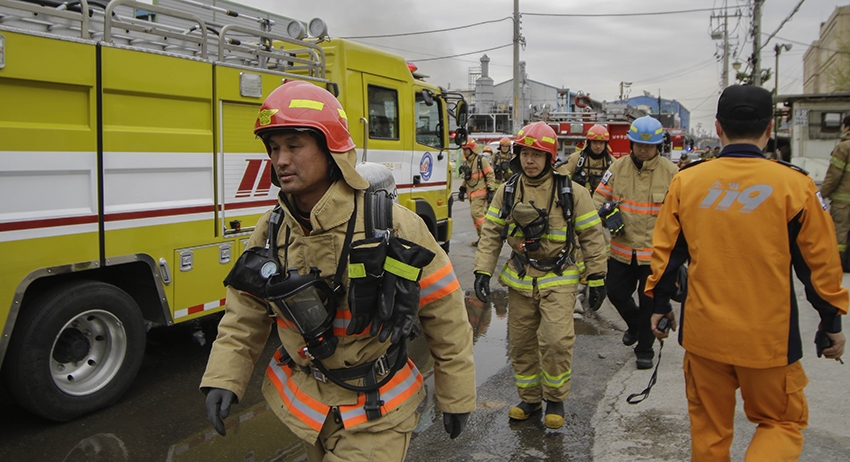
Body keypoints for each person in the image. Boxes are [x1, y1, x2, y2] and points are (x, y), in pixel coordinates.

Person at [200, 81, 476, 462]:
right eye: (274, 148)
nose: (281, 160)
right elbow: (244, 312)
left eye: (294, 146)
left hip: (377, 413)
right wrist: (224, 377)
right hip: (310, 412)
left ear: (330, 148)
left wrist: (456, 394)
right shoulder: (272, 229)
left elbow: (446, 313)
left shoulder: (393, 224)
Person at [646, 84, 847, 461]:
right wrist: (830, 321)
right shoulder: (795, 185)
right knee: (781, 423)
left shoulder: (688, 181)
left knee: (709, 431)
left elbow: (667, 253)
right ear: (770, 128)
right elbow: (818, 264)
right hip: (768, 340)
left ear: (718, 128)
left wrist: (659, 304)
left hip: (705, 336)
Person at [472, 121, 608, 429]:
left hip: (559, 278)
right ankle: (530, 399)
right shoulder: (507, 191)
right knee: (521, 343)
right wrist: (482, 271)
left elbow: (591, 237)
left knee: (556, 341)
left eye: (537, 154)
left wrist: (597, 276)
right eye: (525, 154)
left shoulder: (572, 192)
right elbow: (491, 233)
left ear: (550, 157)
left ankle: (556, 399)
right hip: (521, 278)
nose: (529, 160)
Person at [593, 115, 678, 369]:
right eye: (639, 144)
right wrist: (604, 214)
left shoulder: (672, 173)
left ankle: (645, 350)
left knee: (648, 301)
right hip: (622, 250)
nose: (643, 150)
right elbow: (598, 199)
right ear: (631, 143)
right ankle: (636, 326)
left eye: (649, 146)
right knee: (616, 293)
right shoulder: (617, 168)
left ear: (658, 146)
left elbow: (682, 213)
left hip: (654, 254)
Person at [819, 115, 850, 271]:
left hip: (843, 202)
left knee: (839, 234)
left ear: (847, 127)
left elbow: (833, 176)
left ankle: (838, 265)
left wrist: (820, 195)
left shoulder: (844, 147)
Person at [458, 137, 496, 246]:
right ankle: (481, 238)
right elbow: (468, 178)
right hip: (471, 194)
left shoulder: (481, 160)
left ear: (472, 149)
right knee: (476, 217)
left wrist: (491, 189)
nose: (464, 152)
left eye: (466, 149)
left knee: (476, 214)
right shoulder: (467, 162)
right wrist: (462, 189)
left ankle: (487, 239)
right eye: (463, 149)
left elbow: (490, 174)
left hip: (480, 192)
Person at [563, 124, 615, 194]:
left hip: (603, 200)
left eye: (601, 143)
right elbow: (562, 178)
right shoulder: (576, 159)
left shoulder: (613, 162)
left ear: (606, 144)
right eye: (595, 142)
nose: (598, 146)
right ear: (589, 143)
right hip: (580, 199)